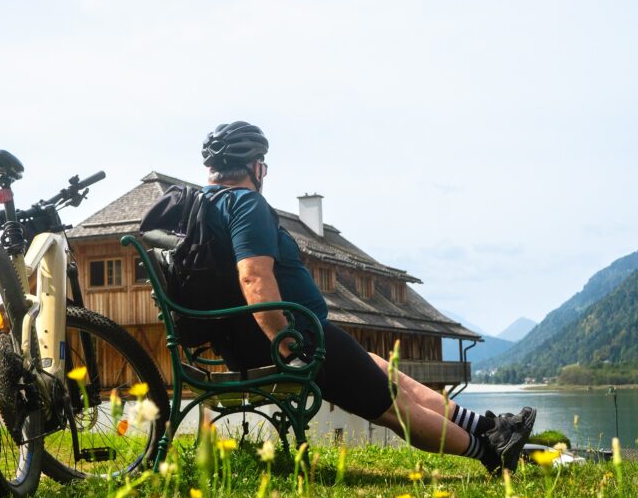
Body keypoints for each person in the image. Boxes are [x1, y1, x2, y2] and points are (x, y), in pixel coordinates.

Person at [199, 120, 536, 476]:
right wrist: (287, 349)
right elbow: (253, 277)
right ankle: (492, 452)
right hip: (294, 339)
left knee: (383, 370)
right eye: (263, 165)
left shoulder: (204, 206)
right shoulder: (245, 204)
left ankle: (490, 429)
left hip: (252, 340)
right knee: (395, 408)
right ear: (256, 167)